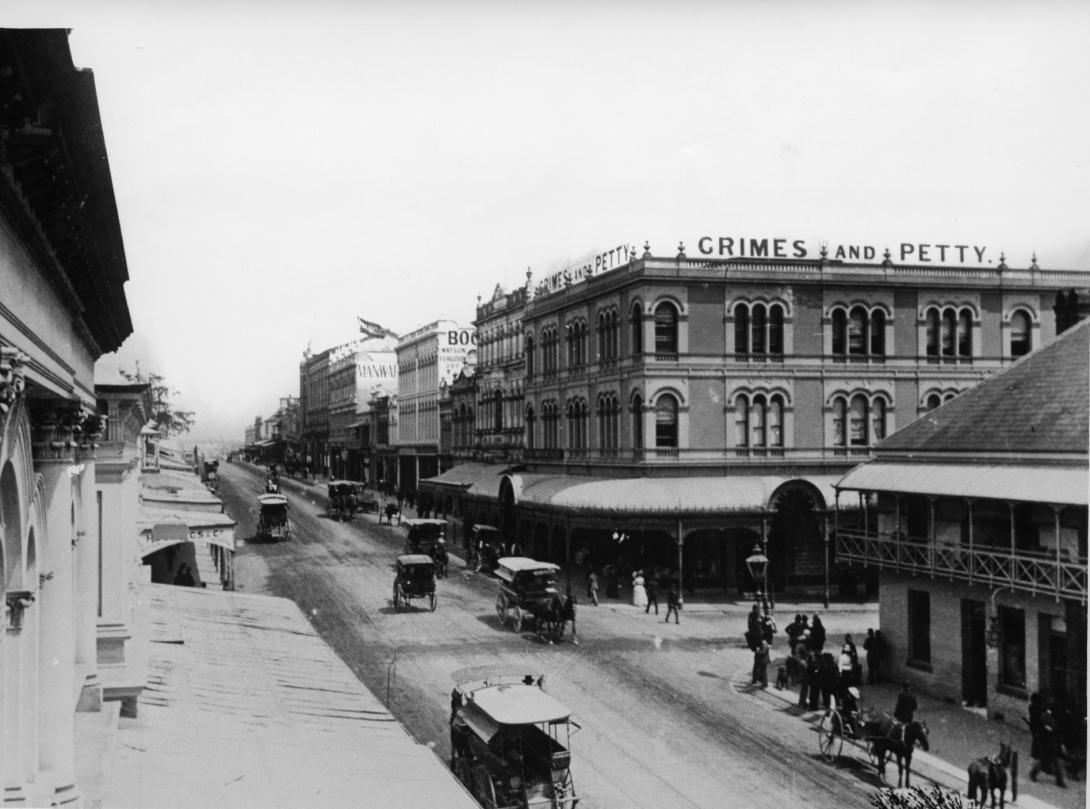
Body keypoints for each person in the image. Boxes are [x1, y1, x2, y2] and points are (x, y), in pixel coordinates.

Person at [1030, 708, 1066, 787]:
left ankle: (1060, 781)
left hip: (1051, 743)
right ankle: (1033, 774)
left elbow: (1056, 732)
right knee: (1043, 761)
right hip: (1045, 743)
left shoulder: (1055, 719)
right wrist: (1047, 729)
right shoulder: (1047, 716)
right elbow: (1041, 728)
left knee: (1056, 762)